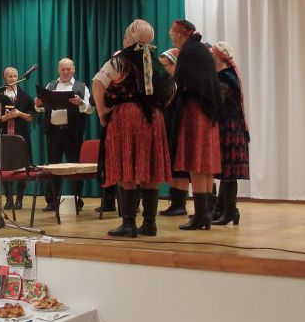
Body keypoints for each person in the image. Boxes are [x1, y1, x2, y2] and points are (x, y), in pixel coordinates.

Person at [92, 19, 174, 237]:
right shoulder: (155, 63)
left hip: (126, 116)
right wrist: (158, 107)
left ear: (130, 38)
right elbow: (171, 88)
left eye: (126, 35)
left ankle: (128, 224)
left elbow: (98, 82)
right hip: (153, 117)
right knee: (150, 169)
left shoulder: (120, 61)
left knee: (125, 166)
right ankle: (150, 224)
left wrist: (101, 110)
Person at [168, 20, 223, 230]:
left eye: (172, 34)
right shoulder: (202, 50)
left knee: (196, 164)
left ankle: (201, 215)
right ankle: (205, 213)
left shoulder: (188, 52)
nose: (172, 38)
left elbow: (181, 82)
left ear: (179, 34)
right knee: (206, 165)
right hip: (208, 113)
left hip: (194, 112)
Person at [35, 58, 93, 212]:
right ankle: (52, 201)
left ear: (73, 69)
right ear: (58, 70)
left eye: (68, 69)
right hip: (53, 132)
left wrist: (81, 103)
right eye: (63, 69)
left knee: (75, 167)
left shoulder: (81, 87)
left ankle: (77, 199)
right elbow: (42, 109)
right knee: (53, 167)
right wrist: (38, 105)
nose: (66, 72)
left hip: (72, 132)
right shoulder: (50, 85)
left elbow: (90, 109)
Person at [211, 41, 250, 225]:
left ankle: (229, 211)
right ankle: (224, 210)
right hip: (226, 125)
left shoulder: (227, 77)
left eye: (212, 56)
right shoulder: (225, 75)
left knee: (229, 171)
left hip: (230, 126)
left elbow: (219, 99)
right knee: (225, 171)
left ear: (219, 58)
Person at [0, 66, 35, 209]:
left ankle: (20, 199)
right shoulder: (0, 96)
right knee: (6, 167)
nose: (13, 79)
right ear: (5, 78)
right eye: (10, 76)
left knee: (22, 167)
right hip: (5, 136)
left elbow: (32, 117)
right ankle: (9, 199)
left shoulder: (25, 96)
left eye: (15, 76)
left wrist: (19, 114)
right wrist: (5, 117)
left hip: (22, 137)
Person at [157, 48, 191, 218]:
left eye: (167, 65)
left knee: (180, 165)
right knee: (172, 164)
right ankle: (175, 202)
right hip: (169, 124)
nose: (165, 69)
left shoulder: (184, 82)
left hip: (181, 125)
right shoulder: (168, 81)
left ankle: (180, 203)